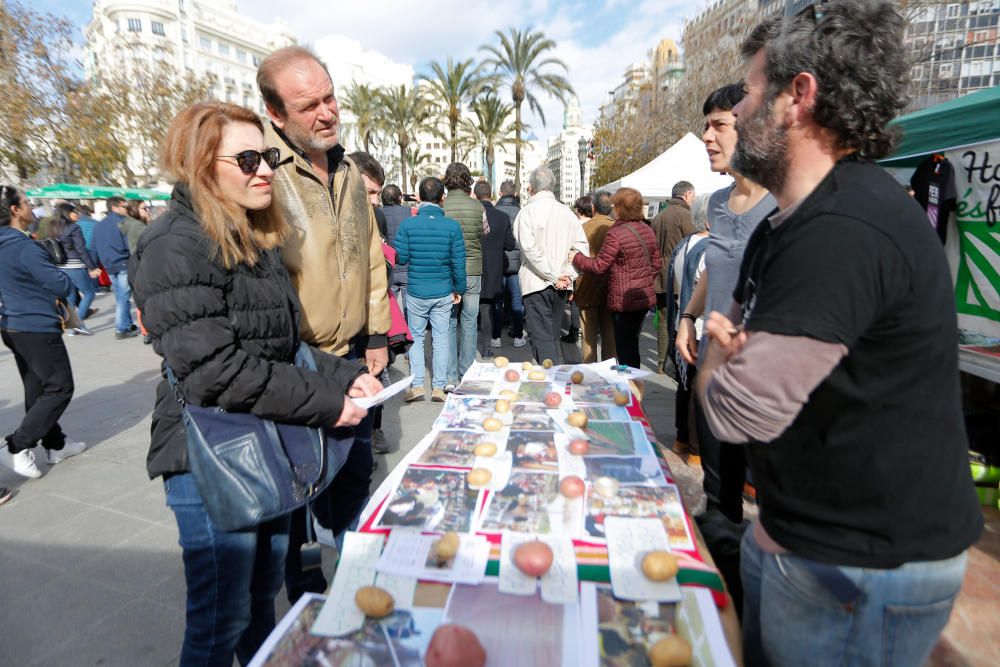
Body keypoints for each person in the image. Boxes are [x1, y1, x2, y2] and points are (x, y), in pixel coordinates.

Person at [696, 3, 983, 664]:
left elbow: (736, 412)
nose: (738, 111)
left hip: (858, 566)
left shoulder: (843, 230)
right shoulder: (789, 224)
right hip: (806, 539)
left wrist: (719, 356)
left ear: (799, 96)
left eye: (753, 90)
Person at [129, 102, 379, 666]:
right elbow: (217, 371)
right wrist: (328, 402)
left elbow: (285, 343)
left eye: (266, 155)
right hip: (209, 457)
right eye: (246, 159)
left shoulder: (251, 233)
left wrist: (350, 375)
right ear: (199, 165)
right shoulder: (174, 245)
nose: (265, 169)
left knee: (260, 600)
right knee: (219, 622)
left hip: (267, 439)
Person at [257, 45, 391, 602]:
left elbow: (370, 258)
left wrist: (378, 332)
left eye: (330, 97)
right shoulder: (260, 171)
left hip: (353, 356)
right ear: (276, 115)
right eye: (308, 104)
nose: (326, 112)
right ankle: (305, 604)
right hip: (294, 364)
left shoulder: (350, 170)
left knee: (354, 479)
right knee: (295, 496)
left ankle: (357, 588)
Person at [675, 83, 776, 523]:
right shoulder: (716, 203)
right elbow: (715, 267)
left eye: (719, 125)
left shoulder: (782, 202)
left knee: (772, 503)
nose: (707, 138)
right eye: (705, 127)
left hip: (763, 376)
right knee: (718, 495)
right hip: (713, 365)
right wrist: (687, 317)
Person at [1, 185, 87, 479]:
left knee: (37, 387)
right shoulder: (23, 246)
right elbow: (61, 285)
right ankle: (15, 446)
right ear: (15, 210)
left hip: (13, 324)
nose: (31, 206)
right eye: (26, 202)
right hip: (35, 325)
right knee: (60, 387)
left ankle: (56, 443)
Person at [571, 187, 662, 369]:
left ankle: (625, 387)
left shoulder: (616, 233)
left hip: (622, 299)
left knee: (623, 348)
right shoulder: (647, 229)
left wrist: (576, 258)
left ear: (620, 207)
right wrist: (641, 280)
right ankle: (630, 384)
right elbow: (657, 264)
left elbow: (599, 266)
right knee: (629, 344)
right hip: (642, 299)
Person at [394, 177, 466, 403]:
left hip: (416, 290)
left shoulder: (407, 225)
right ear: (442, 197)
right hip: (444, 289)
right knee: (441, 338)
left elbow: (402, 258)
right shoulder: (452, 226)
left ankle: (416, 386)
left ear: (419, 197)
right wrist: (459, 288)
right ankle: (438, 386)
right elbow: (458, 262)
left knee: (415, 336)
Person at [514, 166, 589, 365]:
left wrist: (556, 276)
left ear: (531, 188)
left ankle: (551, 380)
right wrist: (567, 275)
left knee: (542, 338)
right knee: (549, 336)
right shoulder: (567, 213)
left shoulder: (527, 213)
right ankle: (549, 377)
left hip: (537, 282)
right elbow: (581, 248)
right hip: (559, 284)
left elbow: (530, 251)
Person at [349, 151, 393, 457]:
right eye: (370, 193)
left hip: (368, 320)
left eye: (378, 193)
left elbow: (378, 268)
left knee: (374, 379)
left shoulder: (373, 216)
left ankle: (372, 432)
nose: (376, 201)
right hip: (334, 333)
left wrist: (377, 336)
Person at [666, 194, 711, 465]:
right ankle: (695, 450)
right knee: (695, 387)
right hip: (698, 326)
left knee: (685, 385)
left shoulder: (684, 245)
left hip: (681, 322)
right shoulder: (708, 248)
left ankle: (682, 438)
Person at [442, 162, 485, 390]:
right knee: (469, 320)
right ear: (467, 180)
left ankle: (450, 378)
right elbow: (484, 231)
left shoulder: (442, 207)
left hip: (447, 270)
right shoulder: (478, 207)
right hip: (472, 269)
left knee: (449, 322)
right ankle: (466, 372)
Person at [651, 181, 695, 373]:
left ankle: (661, 363)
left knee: (662, 319)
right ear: (686, 195)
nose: (693, 200)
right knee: (680, 319)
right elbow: (694, 244)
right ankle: (675, 363)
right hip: (678, 275)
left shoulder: (658, 216)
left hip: (658, 275)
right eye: (693, 196)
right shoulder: (686, 215)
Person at [475, 180, 516, 355]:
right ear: (491, 194)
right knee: (489, 307)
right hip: (495, 269)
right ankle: (487, 348)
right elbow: (509, 244)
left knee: (473, 311)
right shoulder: (502, 217)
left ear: (475, 196)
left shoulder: (472, 216)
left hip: (473, 268)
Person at [575, 190, 616, 363]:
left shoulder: (582, 228)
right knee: (610, 336)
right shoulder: (618, 228)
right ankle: (609, 371)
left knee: (588, 337)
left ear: (593, 207)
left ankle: (590, 372)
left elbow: (573, 257)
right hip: (612, 288)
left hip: (587, 287)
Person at [49, 202, 101, 334]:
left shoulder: (53, 228)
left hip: (60, 265)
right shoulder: (74, 228)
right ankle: (78, 322)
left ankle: (72, 329)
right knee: (89, 292)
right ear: (67, 213)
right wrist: (91, 267)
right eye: (74, 212)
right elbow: (81, 249)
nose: (77, 214)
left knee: (71, 296)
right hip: (75, 265)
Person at [93, 196, 138, 339]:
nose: (128, 210)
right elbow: (130, 245)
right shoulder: (122, 222)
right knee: (123, 297)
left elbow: (93, 247)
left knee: (120, 296)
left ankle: (127, 324)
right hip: (123, 262)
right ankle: (121, 328)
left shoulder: (99, 225)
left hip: (108, 264)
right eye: (125, 207)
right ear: (114, 207)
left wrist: (94, 265)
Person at [494, 180, 525, 347]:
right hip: (517, 262)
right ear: (514, 194)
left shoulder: (494, 212)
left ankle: (496, 337)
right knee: (516, 299)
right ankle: (518, 336)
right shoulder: (522, 212)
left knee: (498, 300)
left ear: (500, 193)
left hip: (498, 262)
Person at [563, 195, 593, 344]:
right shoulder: (598, 225)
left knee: (575, 302)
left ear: (578, 210)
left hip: (578, 269)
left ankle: (575, 331)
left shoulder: (575, 226)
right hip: (596, 271)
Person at [381, 184, 414, 313]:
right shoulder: (408, 212)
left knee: (389, 311)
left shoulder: (379, 213)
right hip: (406, 267)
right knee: (409, 310)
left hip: (388, 268)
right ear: (400, 197)